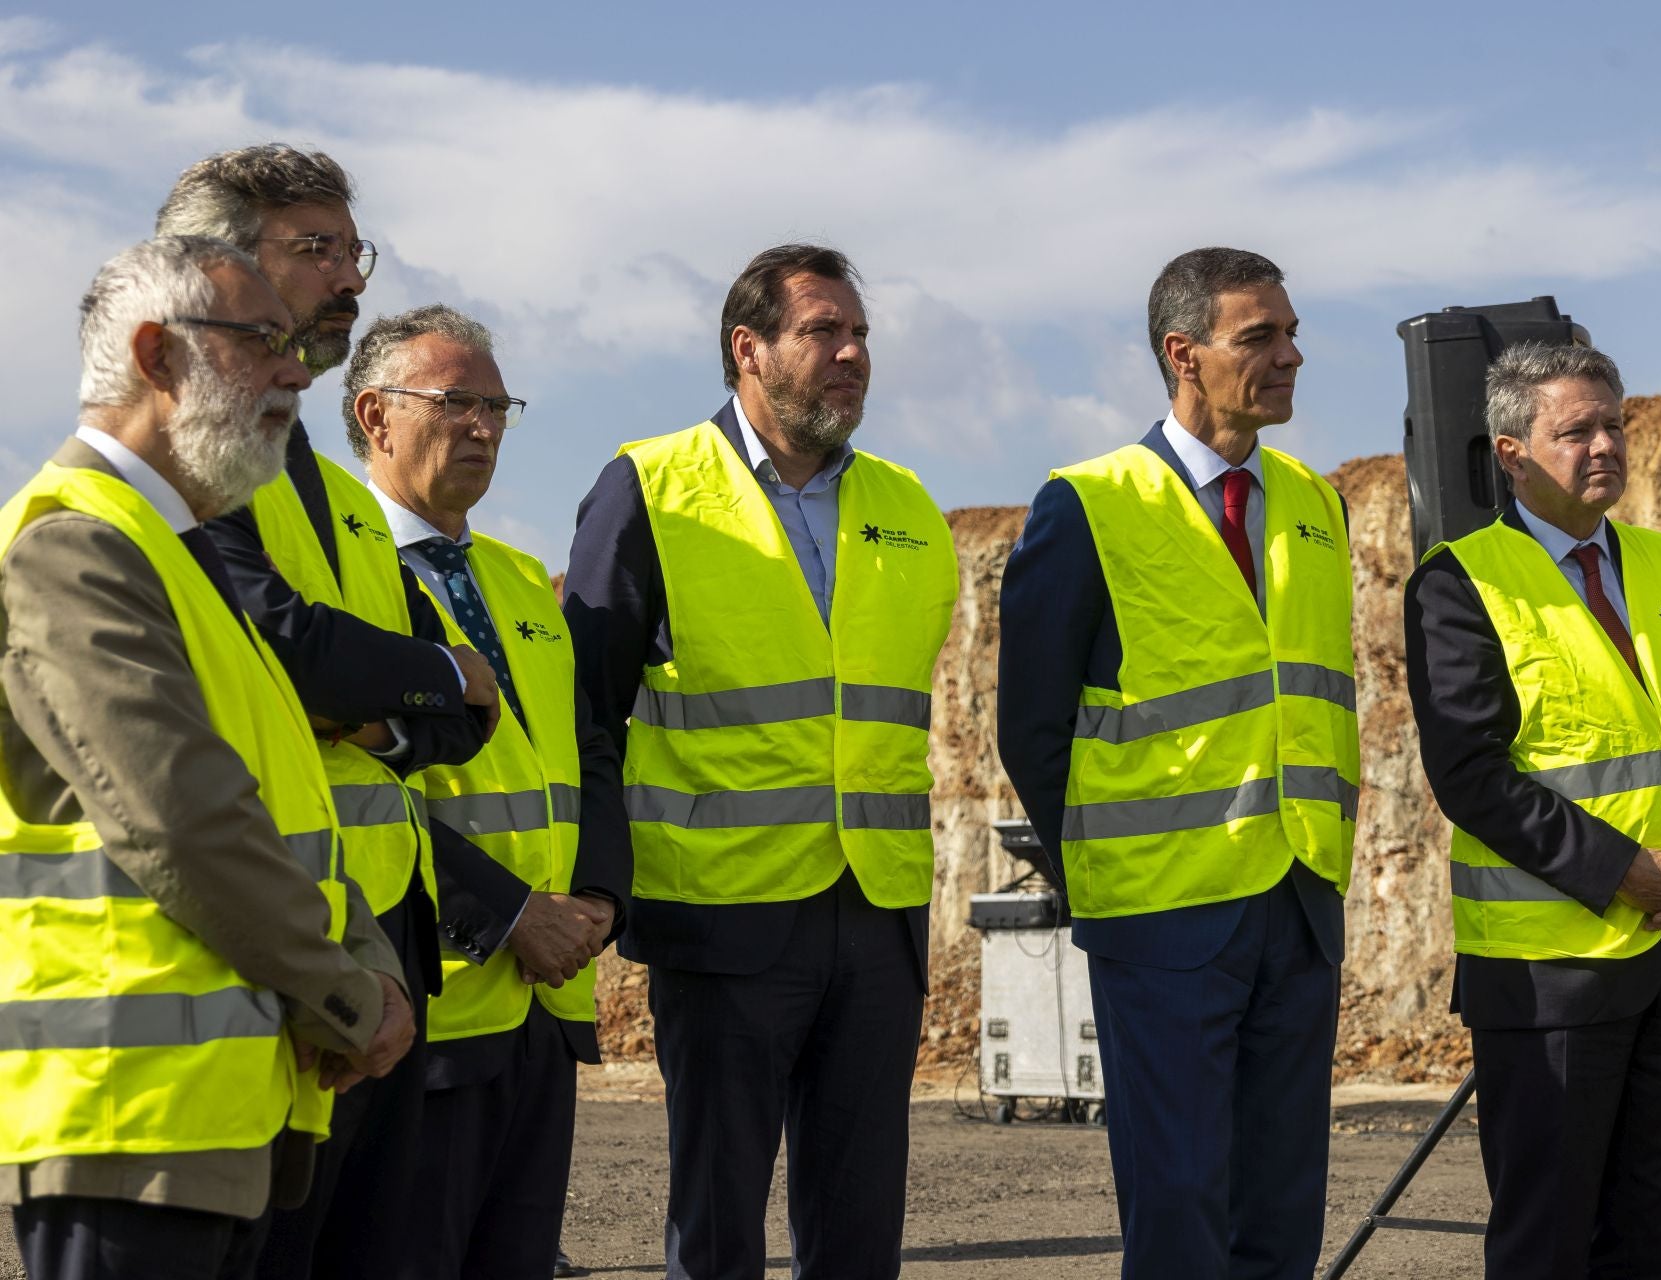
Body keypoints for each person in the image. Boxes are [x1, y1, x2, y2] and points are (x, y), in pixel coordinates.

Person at [0, 235, 412, 1278]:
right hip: (129, 1124)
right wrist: (349, 991)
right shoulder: (73, 542)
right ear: (156, 355)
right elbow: (182, 818)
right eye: (260, 340)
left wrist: (362, 958)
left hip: (220, 1111)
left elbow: (279, 807)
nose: (295, 369)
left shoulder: (175, 547)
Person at [565, 243, 958, 1279]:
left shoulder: (910, 508)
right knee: (720, 1215)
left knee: (861, 1219)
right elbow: (584, 710)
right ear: (749, 348)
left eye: (861, 334)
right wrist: (599, 884)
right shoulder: (651, 487)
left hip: (877, 914)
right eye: (824, 330)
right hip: (723, 915)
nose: (852, 354)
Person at [155, 143, 505, 1280]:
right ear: (213, 270)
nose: (348, 278)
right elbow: (282, 642)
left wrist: (398, 700)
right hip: (254, 954)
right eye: (314, 249)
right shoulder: (190, 455)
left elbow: (466, 715)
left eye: (353, 250)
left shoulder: (336, 491)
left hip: (381, 940)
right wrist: (429, 681)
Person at [997, 247, 1355, 1280]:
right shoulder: (1089, 502)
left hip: (1296, 903)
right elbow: (1032, 729)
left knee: (1284, 1205)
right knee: (1181, 1203)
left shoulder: (1312, 502)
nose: (1290, 355)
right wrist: (1108, 872)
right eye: (1261, 337)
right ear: (1183, 354)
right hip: (1160, 918)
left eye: (1291, 333)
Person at [1403, 341, 1661, 1279]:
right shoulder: (1459, 582)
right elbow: (1470, 774)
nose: (1606, 446)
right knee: (1549, 1240)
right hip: (1548, 975)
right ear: (1511, 452)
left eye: (1615, 424)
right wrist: (1616, 871)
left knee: (1655, 1238)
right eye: (1576, 430)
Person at [342, 304, 630, 1280]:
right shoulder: (335, 581)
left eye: (498, 405)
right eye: (456, 401)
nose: (484, 426)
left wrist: (597, 898)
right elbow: (354, 787)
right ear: (374, 415)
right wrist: (507, 914)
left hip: (542, 1009)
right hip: (421, 1004)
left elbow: (589, 752)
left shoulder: (518, 580)